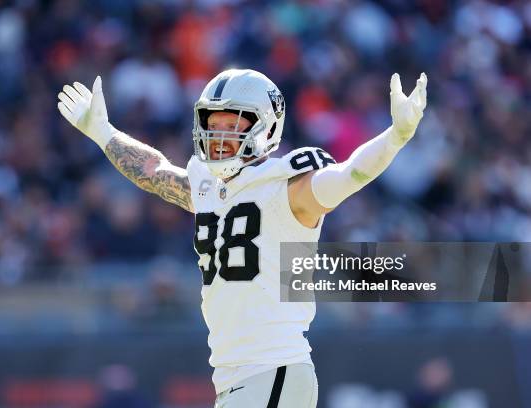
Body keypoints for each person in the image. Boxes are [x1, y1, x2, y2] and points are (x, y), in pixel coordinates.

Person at [57, 68, 427, 408]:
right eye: (211, 123)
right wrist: (103, 131)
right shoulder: (207, 187)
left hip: (273, 369)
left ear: (265, 128)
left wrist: (396, 136)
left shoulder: (287, 187)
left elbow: (350, 175)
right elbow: (154, 173)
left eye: (231, 124)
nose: (218, 135)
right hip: (240, 377)